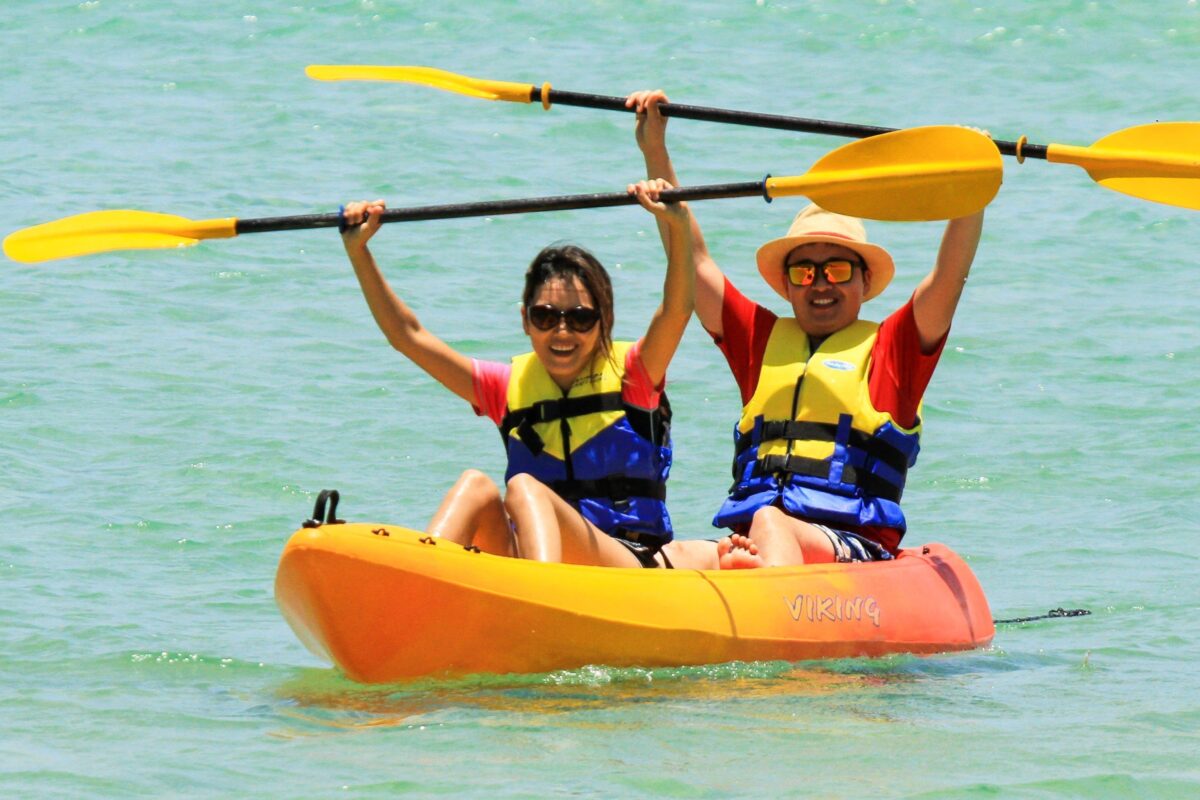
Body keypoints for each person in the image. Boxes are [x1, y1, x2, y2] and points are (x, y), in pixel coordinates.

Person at [629, 89, 985, 568]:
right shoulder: (759, 342)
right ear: (788, 286)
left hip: (851, 548)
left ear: (864, 281)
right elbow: (693, 261)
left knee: (770, 523)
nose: (820, 284)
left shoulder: (894, 349)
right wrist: (655, 149)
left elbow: (948, 276)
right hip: (754, 536)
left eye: (837, 269)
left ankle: (759, 597)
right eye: (804, 271)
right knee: (669, 554)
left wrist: (972, 187)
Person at [339, 178, 697, 568]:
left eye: (580, 318)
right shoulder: (505, 388)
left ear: (603, 320)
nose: (562, 332)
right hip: (535, 555)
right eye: (545, 316)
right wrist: (359, 252)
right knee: (475, 486)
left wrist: (677, 225)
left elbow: (676, 310)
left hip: (626, 558)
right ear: (525, 320)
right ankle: (424, 585)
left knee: (525, 487)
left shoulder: (634, 374)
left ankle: (540, 593)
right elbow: (408, 336)